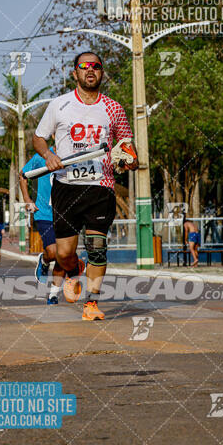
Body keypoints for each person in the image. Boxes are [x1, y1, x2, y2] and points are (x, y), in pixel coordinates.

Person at [32, 50, 138, 321]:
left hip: (100, 186)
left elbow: (127, 147)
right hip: (66, 186)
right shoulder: (59, 105)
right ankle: (73, 268)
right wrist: (48, 155)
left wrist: (128, 160)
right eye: (84, 66)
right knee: (64, 253)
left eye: (96, 66)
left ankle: (91, 304)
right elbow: (39, 138)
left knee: (97, 246)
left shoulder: (114, 108)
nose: (90, 70)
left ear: (102, 72)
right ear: (75, 73)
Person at [20, 145, 66, 305]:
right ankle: (45, 261)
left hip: (66, 215)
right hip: (44, 213)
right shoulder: (41, 157)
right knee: (53, 252)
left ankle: (53, 294)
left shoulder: (73, 154)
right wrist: (27, 199)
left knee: (64, 254)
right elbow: (23, 175)